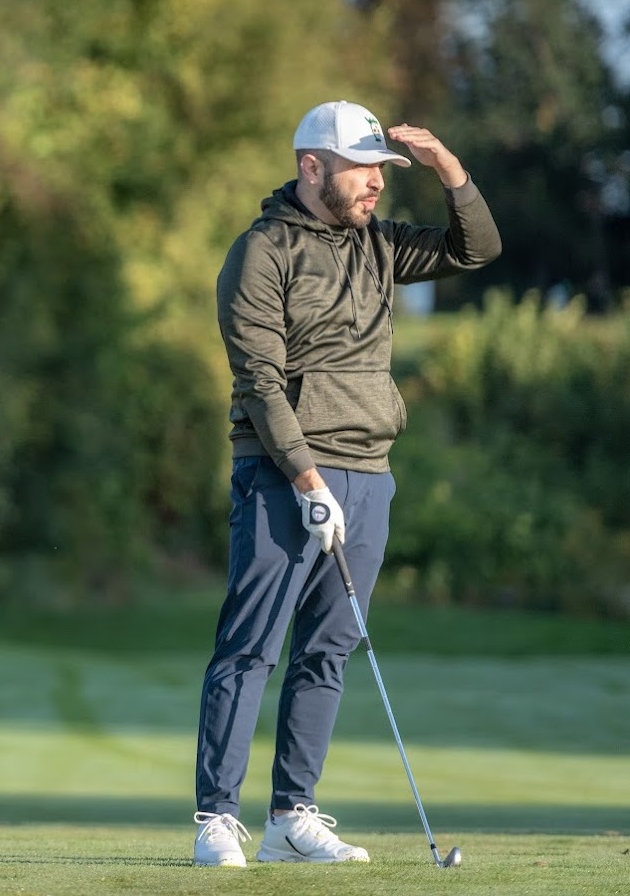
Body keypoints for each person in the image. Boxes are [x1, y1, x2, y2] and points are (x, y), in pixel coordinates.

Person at [193, 100, 501, 867]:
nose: (376, 187)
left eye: (382, 173)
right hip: (279, 473)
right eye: (364, 171)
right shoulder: (260, 252)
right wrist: (301, 476)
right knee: (250, 647)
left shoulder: (380, 245)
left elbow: (477, 250)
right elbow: (259, 379)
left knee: (326, 652)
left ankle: (291, 818)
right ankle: (215, 819)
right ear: (311, 167)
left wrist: (448, 170)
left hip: (368, 473)